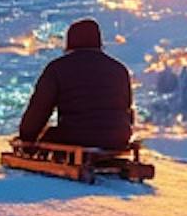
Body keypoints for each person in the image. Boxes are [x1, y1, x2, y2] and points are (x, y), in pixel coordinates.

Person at [18, 18, 135, 151]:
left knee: (49, 136)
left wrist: (27, 137)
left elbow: (39, 109)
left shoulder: (58, 68)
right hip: (117, 138)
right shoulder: (119, 69)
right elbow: (127, 108)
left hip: (75, 137)